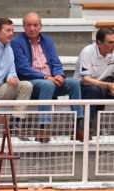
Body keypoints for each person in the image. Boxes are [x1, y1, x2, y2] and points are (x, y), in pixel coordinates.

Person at [11, 12, 84, 142]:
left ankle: (79, 127)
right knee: (47, 84)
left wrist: (59, 75)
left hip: (50, 80)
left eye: (35, 25)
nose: (32, 28)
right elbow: (22, 68)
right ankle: (43, 128)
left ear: (40, 26)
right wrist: (45, 77)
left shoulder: (48, 41)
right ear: (23, 27)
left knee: (74, 83)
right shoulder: (17, 42)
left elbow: (56, 62)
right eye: (29, 25)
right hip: (31, 82)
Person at [74, 28, 114, 124]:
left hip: (105, 83)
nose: (113, 45)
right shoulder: (87, 52)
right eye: (110, 42)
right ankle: (86, 128)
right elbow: (86, 80)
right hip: (84, 86)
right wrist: (108, 86)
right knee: (94, 91)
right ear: (99, 43)